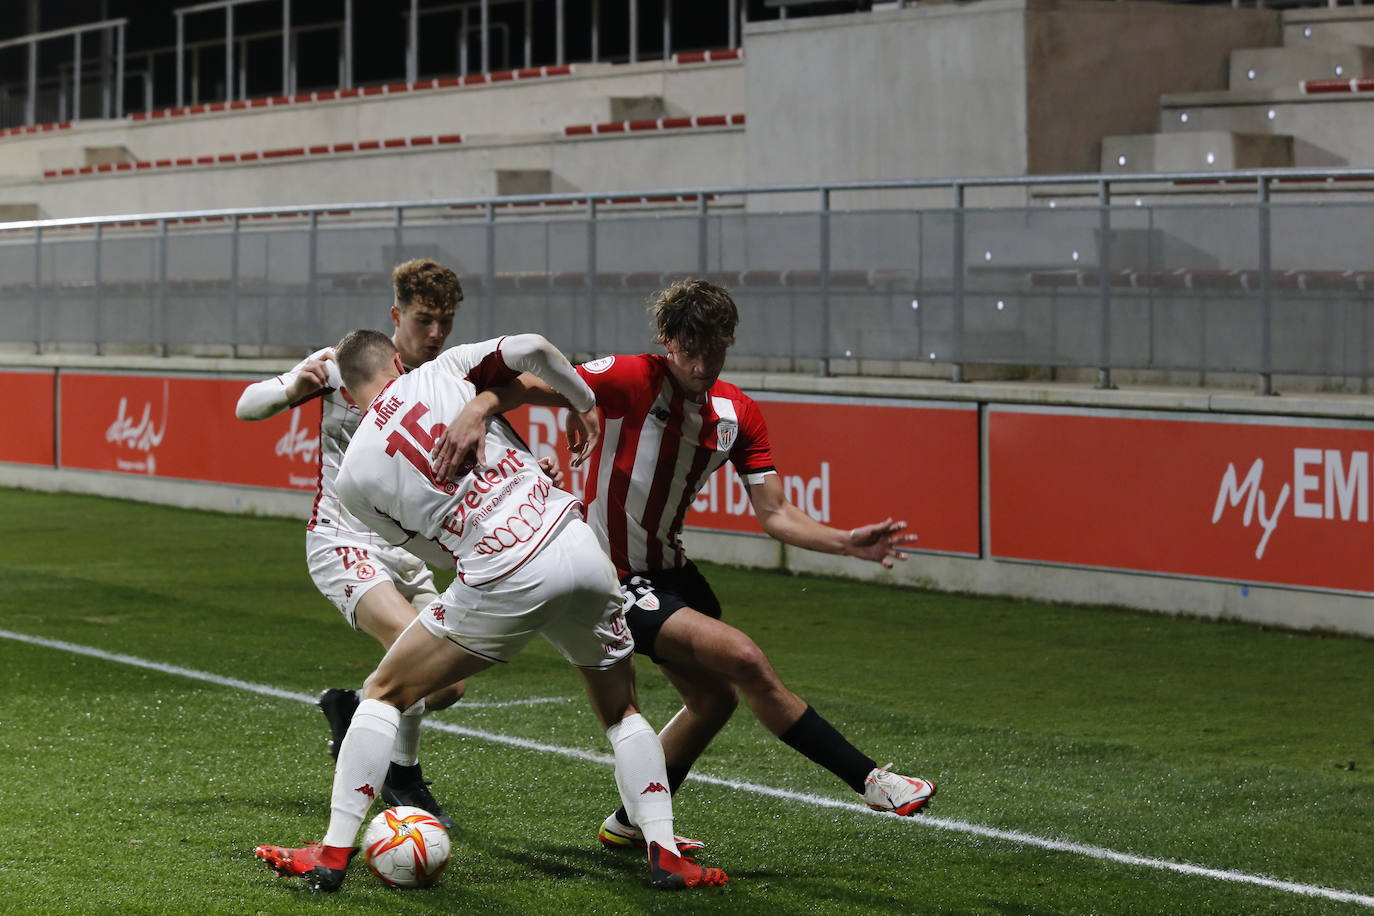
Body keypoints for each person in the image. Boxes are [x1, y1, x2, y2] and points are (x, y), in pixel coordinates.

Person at [436, 278, 935, 853]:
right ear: (666, 341)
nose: (699, 365)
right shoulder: (629, 377)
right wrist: (480, 406)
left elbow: (775, 514)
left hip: (676, 575)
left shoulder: (738, 414)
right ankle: (873, 782)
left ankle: (627, 824)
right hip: (613, 578)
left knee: (713, 700)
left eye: (712, 351)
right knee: (746, 659)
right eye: (688, 350)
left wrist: (847, 542)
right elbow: (526, 383)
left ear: (727, 344)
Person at [253, 329, 728, 892]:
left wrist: (479, 541)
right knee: (622, 710)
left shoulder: (353, 476)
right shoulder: (447, 371)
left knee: (384, 691)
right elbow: (534, 348)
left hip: (504, 574)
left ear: (348, 395)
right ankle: (666, 853)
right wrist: (581, 405)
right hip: (578, 547)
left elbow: (423, 546)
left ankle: (331, 855)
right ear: (398, 362)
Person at [235, 258, 466, 828]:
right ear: (397, 316)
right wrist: (294, 385)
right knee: (420, 655)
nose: (436, 333)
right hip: (342, 541)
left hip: (409, 550)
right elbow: (246, 407)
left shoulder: (450, 381)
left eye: (446, 320)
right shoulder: (345, 365)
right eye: (424, 318)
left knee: (448, 686)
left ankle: (362, 719)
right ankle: (401, 776)